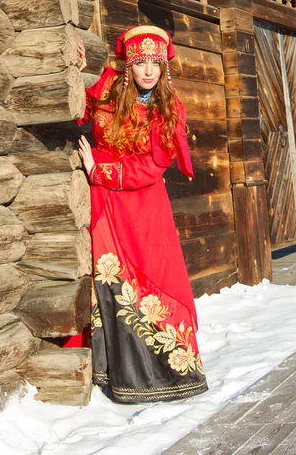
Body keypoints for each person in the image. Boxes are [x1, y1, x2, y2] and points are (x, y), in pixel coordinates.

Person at [75, 26, 208, 403]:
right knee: (108, 279)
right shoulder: (107, 90)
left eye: (155, 62)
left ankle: (164, 374)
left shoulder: (169, 108)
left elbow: (152, 166)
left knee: (155, 280)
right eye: (140, 62)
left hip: (144, 208)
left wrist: (98, 170)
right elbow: (79, 113)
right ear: (128, 64)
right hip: (105, 206)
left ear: (164, 65)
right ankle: (116, 372)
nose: (148, 70)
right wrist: (78, 71)